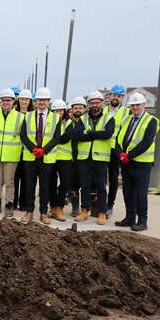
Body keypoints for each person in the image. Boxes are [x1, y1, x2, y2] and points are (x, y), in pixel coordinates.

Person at [114, 92, 158, 231]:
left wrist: (129, 155)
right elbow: (119, 138)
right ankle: (130, 217)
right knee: (128, 192)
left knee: (140, 193)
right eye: (132, 105)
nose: (135, 108)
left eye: (138, 105)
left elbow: (147, 142)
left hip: (142, 164)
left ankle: (142, 220)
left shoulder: (151, 120)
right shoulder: (127, 120)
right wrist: (120, 153)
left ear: (144, 105)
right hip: (127, 163)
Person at [19, 87, 61, 224]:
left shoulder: (55, 118)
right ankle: (29, 211)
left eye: (44, 100)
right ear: (36, 101)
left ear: (48, 101)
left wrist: (44, 150)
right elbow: (23, 136)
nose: (41, 102)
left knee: (45, 187)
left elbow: (56, 138)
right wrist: (33, 149)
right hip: (31, 157)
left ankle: (43, 212)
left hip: (46, 158)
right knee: (29, 186)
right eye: (39, 100)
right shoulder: (28, 116)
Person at [73, 90, 115, 225]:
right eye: (92, 103)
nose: (95, 105)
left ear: (102, 103)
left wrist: (89, 132)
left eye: (97, 102)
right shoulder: (83, 119)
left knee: (101, 187)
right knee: (84, 186)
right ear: (89, 104)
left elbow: (107, 134)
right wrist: (96, 134)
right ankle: (84, 210)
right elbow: (77, 135)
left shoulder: (108, 118)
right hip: (85, 158)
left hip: (100, 159)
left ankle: (102, 212)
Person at [0, 88, 24, 217]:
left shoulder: (20, 117)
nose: (6, 102)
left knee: (9, 182)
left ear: (14, 101)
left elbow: (23, 137)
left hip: (12, 155)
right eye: (3, 100)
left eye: (8, 100)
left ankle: (9, 205)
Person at [104, 84, 130, 218]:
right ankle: (99, 204)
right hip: (102, 149)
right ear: (110, 96)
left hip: (116, 150)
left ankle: (109, 205)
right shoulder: (103, 111)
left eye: (119, 96)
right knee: (99, 178)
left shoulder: (127, 112)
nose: (116, 98)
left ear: (122, 98)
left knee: (113, 178)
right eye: (114, 95)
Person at [47, 98, 73, 222]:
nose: (59, 113)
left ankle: (59, 207)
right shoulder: (49, 123)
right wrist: (57, 139)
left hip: (65, 158)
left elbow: (66, 138)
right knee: (51, 184)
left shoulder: (69, 123)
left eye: (61, 111)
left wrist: (55, 139)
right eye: (56, 111)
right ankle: (52, 207)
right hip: (51, 156)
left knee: (65, 183)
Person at [13, 88, 33, 211]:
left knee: (26, 178)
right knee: (14, 178)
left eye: (26, 99)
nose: (24, 102)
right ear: (18, 100)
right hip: (15, 150)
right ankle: (13, 202)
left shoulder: (33, 115)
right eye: (22, 99)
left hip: (28, 151)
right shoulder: (14, 114)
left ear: (30, 101)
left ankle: (24, 203)